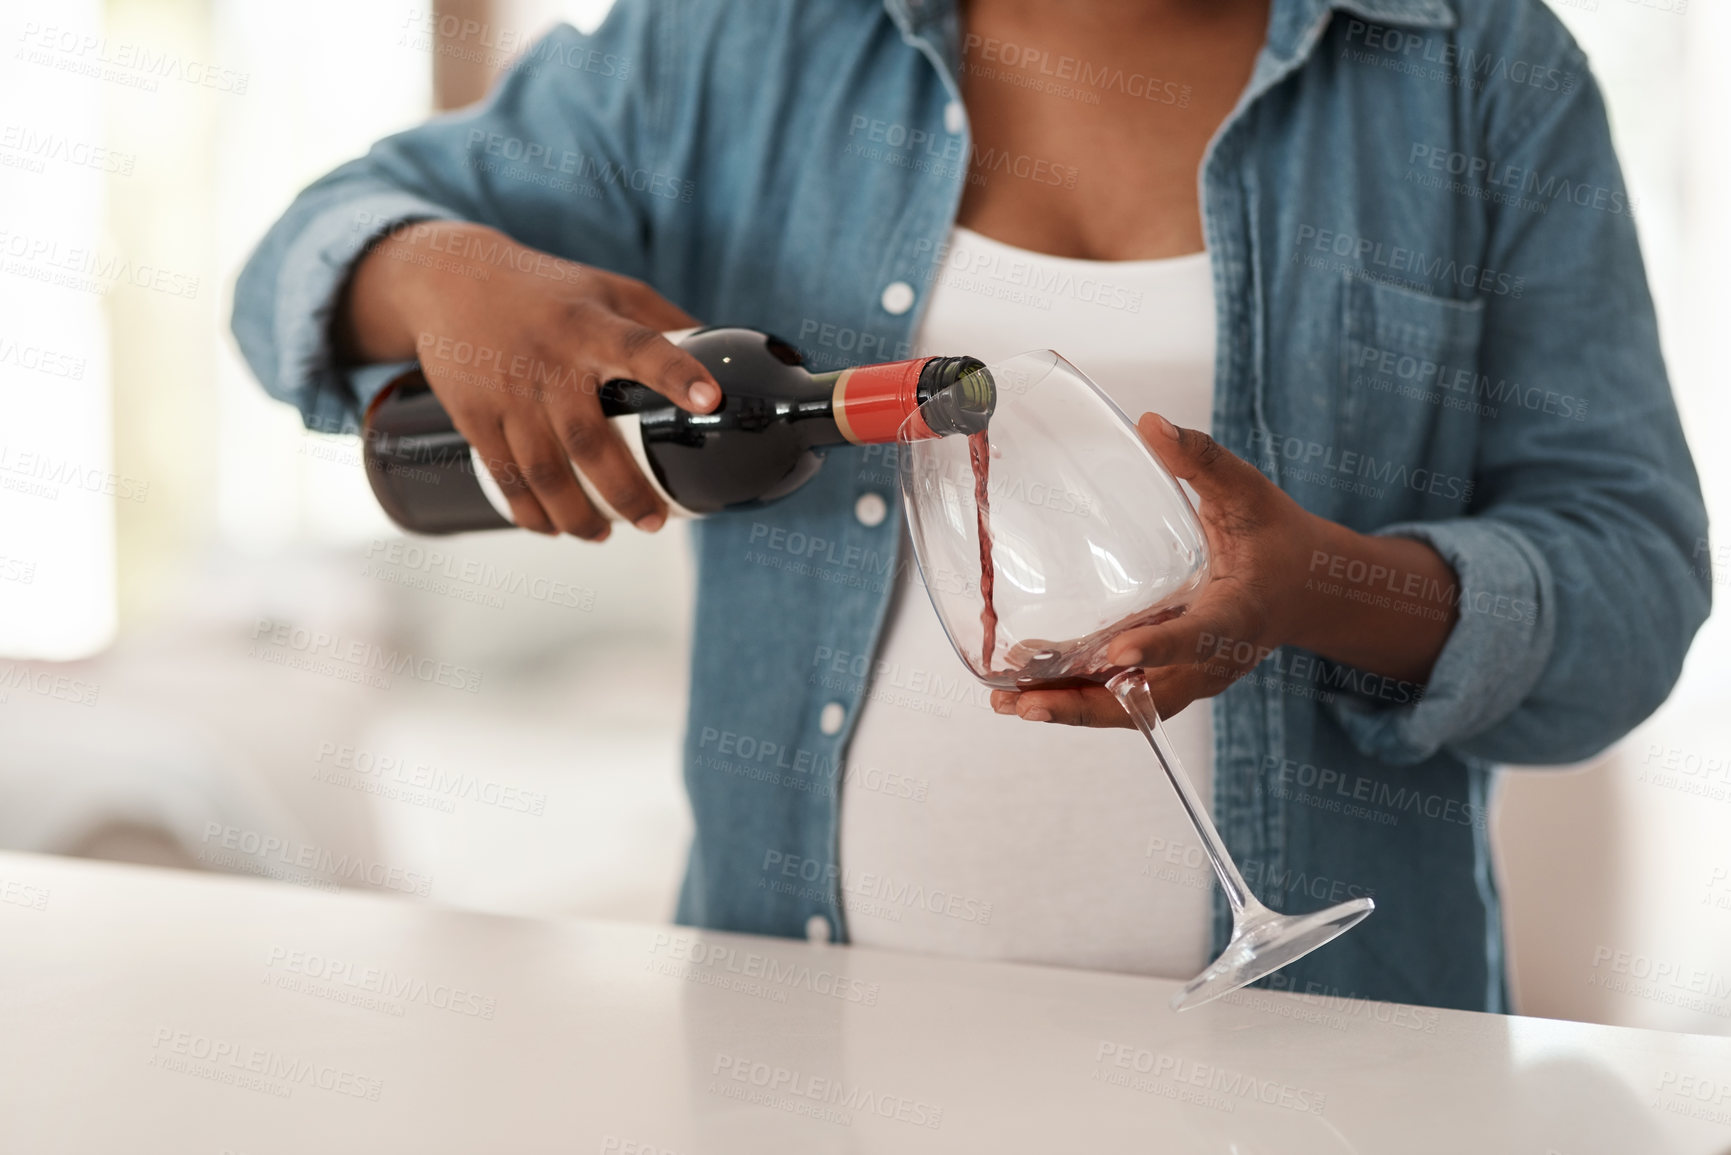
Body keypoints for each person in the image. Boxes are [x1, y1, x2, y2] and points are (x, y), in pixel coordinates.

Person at [231, 0, 1708, 1012]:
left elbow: (1630, 576)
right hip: (801, 1052)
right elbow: (299, 266)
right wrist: (444, 272)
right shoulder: (744, 41)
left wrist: (1320, 586)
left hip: (1338, 1059)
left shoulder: (1471, 66)